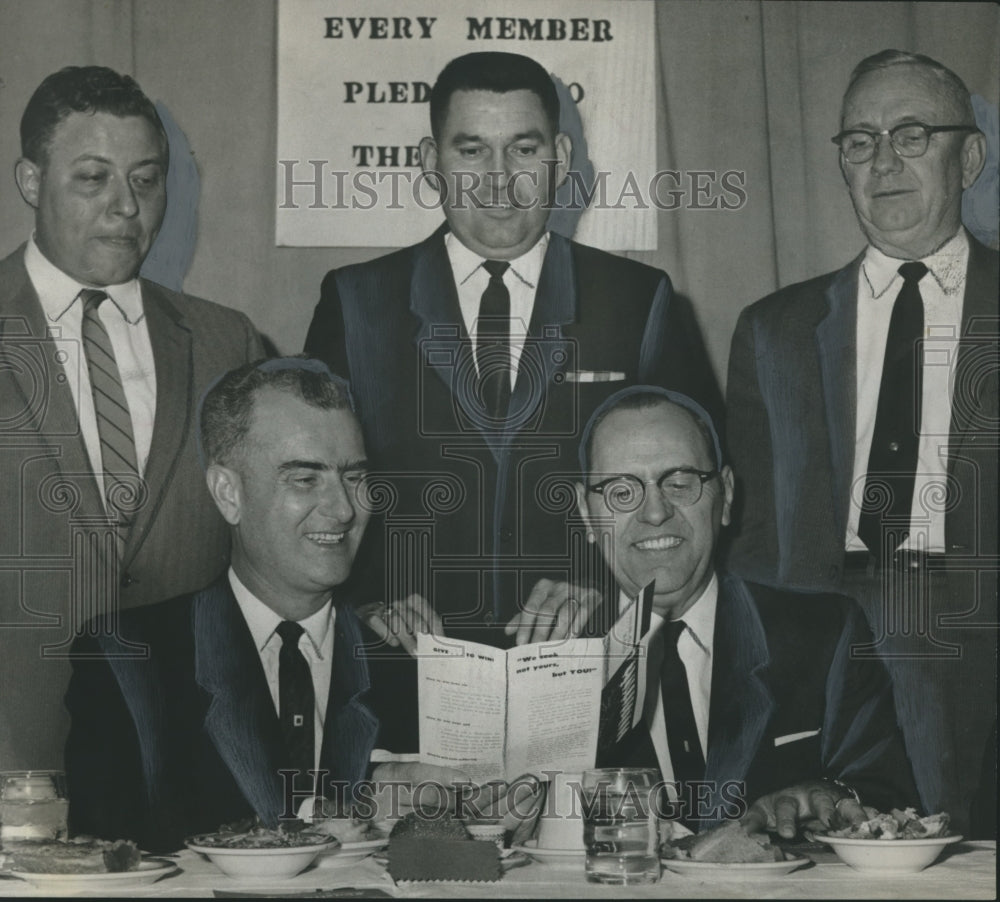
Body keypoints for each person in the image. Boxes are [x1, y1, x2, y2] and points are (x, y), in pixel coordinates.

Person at [305, 51, 722, 650]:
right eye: (471, 151)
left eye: (524, 150)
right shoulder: (355, 301)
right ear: (431, 162)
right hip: (401, 661)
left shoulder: (636, 300)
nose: (499, 179)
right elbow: (313, 485)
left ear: (561, 161)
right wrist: (369, 594)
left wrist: (603, 587)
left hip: (587, 656)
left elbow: (693, 491)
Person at [65, 359, 498, 853]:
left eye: (355, 477)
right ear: (228, 493)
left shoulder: (416, 658)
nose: (344, 509)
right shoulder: (129, 660)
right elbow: (102, 863)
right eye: (304, 479)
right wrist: (357, 804)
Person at [725, 50, 997, 837]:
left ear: (970, 156)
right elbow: (751, 541)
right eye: (859, 142)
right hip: (833, 654)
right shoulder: (774, 330)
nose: (884, 162)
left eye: (912, 134)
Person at [0, 65, 264, 770]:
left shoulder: (225, 342)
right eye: (93, 178)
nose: (126, 206)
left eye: (146, 180)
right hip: (16, 758)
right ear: (30, 182)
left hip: (190, 759)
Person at [577, 387, 919, 836]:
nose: (655, 512)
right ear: (586, 512)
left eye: (680, 482)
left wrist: (827, 795)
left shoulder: (823, 634)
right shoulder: (546, 655)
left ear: (727, 495)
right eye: (621, 491)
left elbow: (892, 802)